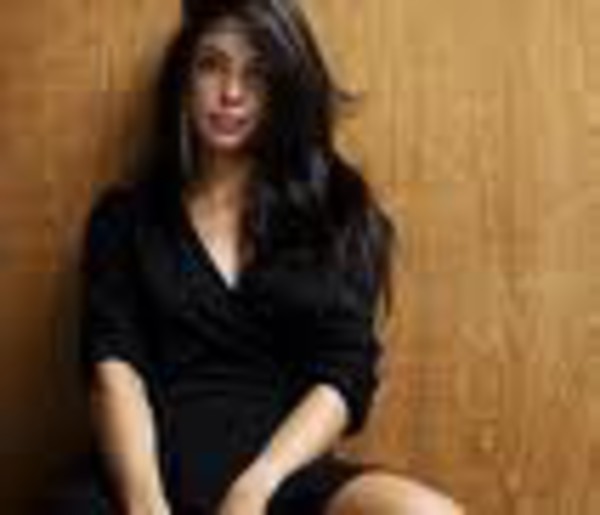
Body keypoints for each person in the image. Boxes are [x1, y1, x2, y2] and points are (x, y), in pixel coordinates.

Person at [50, 0, 464, 514]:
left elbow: (343, 375)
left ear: (287, 87)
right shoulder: (125, 220)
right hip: (145, 479)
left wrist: (257, 487)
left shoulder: (339, 215)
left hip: (280, 479)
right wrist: (146, 504)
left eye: (257, 74)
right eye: (212, 65)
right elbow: (114, 368)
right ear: (183, 78)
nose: (231, 92)